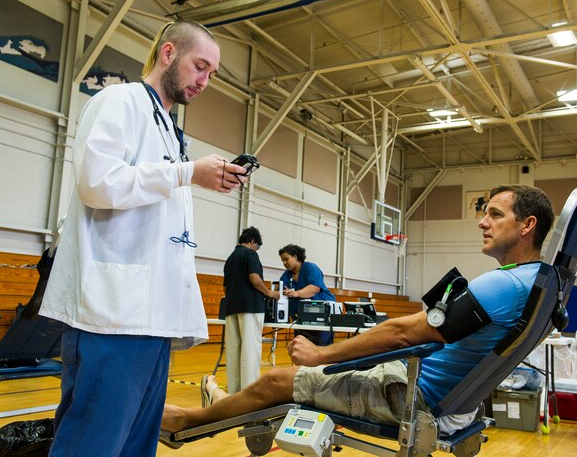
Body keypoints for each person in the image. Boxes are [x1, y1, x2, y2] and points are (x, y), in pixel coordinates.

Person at [161, 184, 554, 436]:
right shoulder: (535, 283)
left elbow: (403, 333)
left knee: (275, 381)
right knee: (299, 376)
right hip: (440, 393)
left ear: (527, 225)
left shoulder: (503, 284)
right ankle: (227, 401)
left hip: (411, 395)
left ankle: (187, 420)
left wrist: (320, 355)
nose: (482, 222)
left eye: (495, 215)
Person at [39, 20, 250, 457]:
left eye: (212, 73)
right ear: (168, 53)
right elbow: (97, 183)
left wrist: (189, 174)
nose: (205, 81)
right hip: (112, 314)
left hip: (153, 319)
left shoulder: (170, 131)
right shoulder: (119, 101)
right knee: (93, 444)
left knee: (136, 446)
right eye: (200, 66)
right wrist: (188, 173)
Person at [220, 227, 279, 395]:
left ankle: (235, 392)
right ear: (253, 242)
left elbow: (225, 287)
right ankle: (250, 393)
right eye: (256, 246)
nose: (256, 249)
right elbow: (255, 278)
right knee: (250, 350)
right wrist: (269, 293)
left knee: (234, 351)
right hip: (251, 308)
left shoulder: (230, 259)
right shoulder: (250, 254)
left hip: (231, 308)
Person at [279, 244, 336, 346]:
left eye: (286, 259)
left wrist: (296, 293)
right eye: (282, 260)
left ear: (295, 257)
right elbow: (281, 292)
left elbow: (314, 288)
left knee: (321, 349)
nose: (284, 263)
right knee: (301, 349)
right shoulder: (286, 275)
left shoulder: (311, 268)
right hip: (300, 320)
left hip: (321, 318)